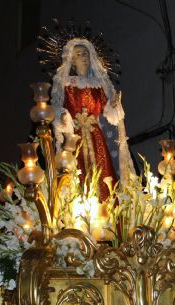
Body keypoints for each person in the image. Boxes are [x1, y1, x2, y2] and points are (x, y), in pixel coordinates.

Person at [51, 37, 135, 200]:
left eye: (86, 54)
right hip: (74, 136)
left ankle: (107, 206)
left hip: (97, 137)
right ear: (72, 61)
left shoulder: (98, 85)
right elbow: (58, 106)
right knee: (77, 171)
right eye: (78, 54)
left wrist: (113, 104)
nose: (83, 57)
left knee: (103, 170)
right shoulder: (66, 84)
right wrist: (63, 116)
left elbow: (106, 112)